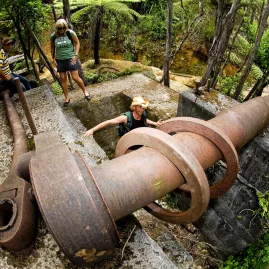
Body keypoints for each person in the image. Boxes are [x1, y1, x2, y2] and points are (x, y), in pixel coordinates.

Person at [50, 18, 90, 107]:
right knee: (63, 79)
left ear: (65, 27)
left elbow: (77, 43)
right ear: (57, 28)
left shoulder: (70, 33)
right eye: (59, 28)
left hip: (71, 58)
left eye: (63, 28)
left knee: (75, 77)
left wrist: (75, 55)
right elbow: (52, 47)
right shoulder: (54, 36)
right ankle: (67, 98)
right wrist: (53, 59)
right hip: (60, 59)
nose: (62, 30)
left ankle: (85, 91)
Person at [84, 96, 161, 138]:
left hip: (141, 139)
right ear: (134, 107)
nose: (142, 109)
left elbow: (145, 120)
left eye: (143, 107)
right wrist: (93, 130)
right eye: (140, 107)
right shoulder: (126, 118)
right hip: (131, 144)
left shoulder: (143, 114)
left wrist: (155, 123)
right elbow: (109, 122)